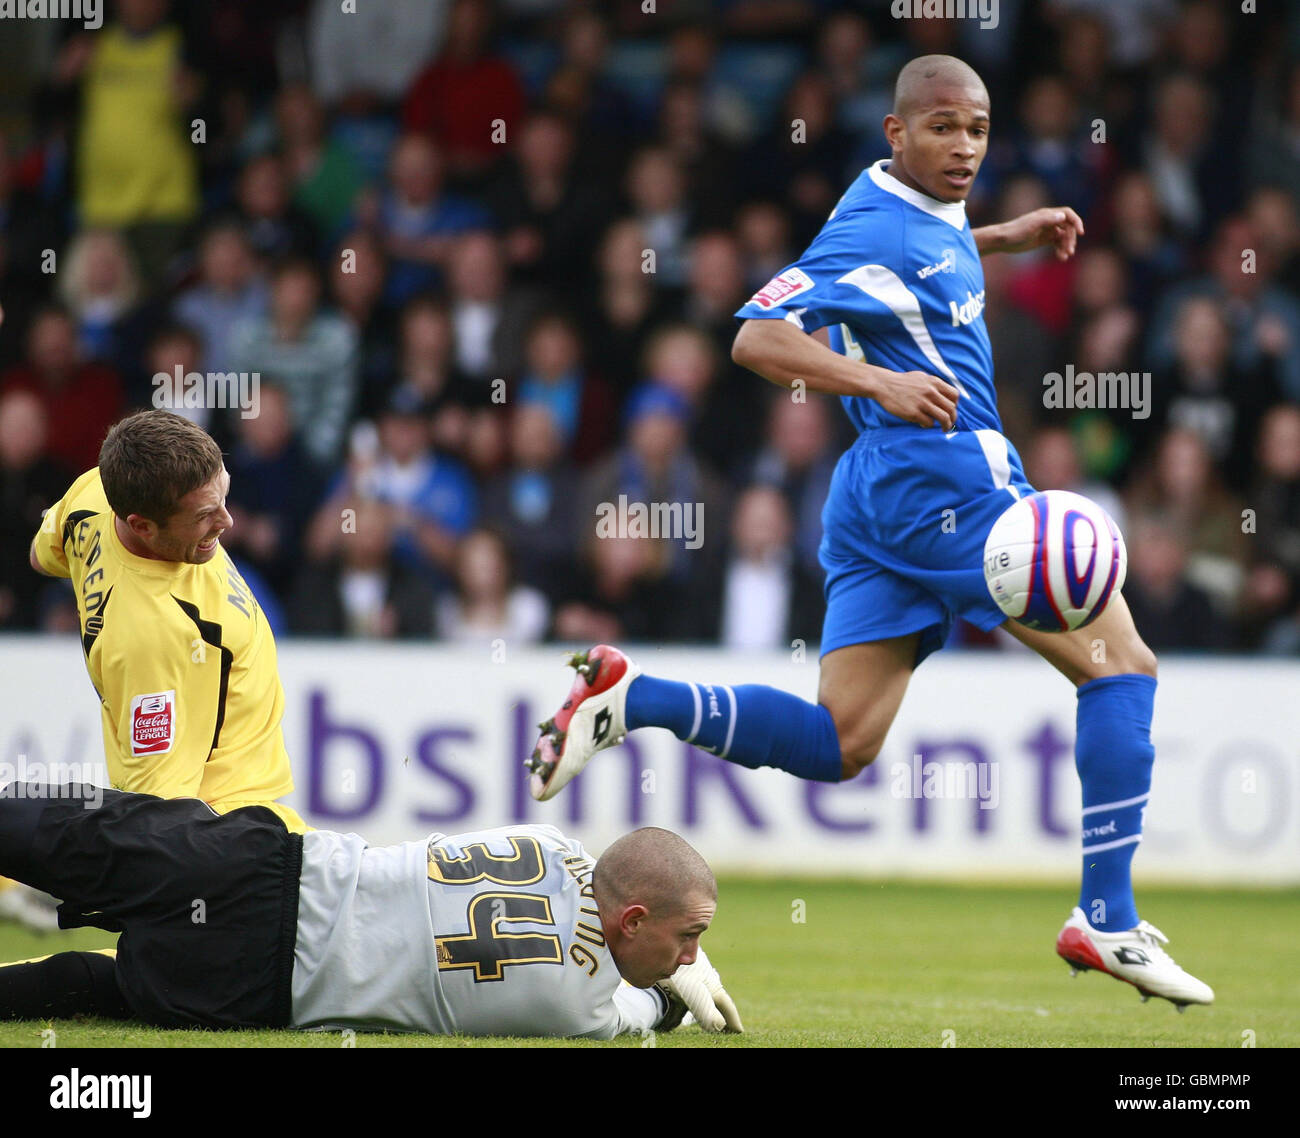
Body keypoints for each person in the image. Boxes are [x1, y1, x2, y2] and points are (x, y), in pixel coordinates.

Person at [526, 55, 1213, 1010]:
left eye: (975, 128)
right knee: (1122, 666)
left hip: (878, 498)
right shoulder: (873, 222)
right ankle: (1107, 916)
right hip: (950, 481)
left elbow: (917, 265)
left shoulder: (911, 212)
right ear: (896, 133)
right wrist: (882, 383)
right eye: (941, 128)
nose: (963, 146)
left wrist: (1003, 236)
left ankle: (632, 697)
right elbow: (756, 338)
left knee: (837, 744)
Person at [0, 781, 742, 1040]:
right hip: (256, 984)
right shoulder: (574, 1009)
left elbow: (603, 886)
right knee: (92, 987)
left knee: (52, 832)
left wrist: (671, 953)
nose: (688, 955)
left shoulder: (550, 841)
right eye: (688, 938)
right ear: (633, 920)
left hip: (261, 864)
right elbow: (644, 1008)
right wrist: (669, 997)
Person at [27, 409, 307, 833]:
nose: (227, 521)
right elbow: (161, 823)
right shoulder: (162, 639)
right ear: (142, 526)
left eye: (224, 496)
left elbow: (41, 554)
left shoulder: (97, 491)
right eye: (203, 516)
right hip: (230, 830)